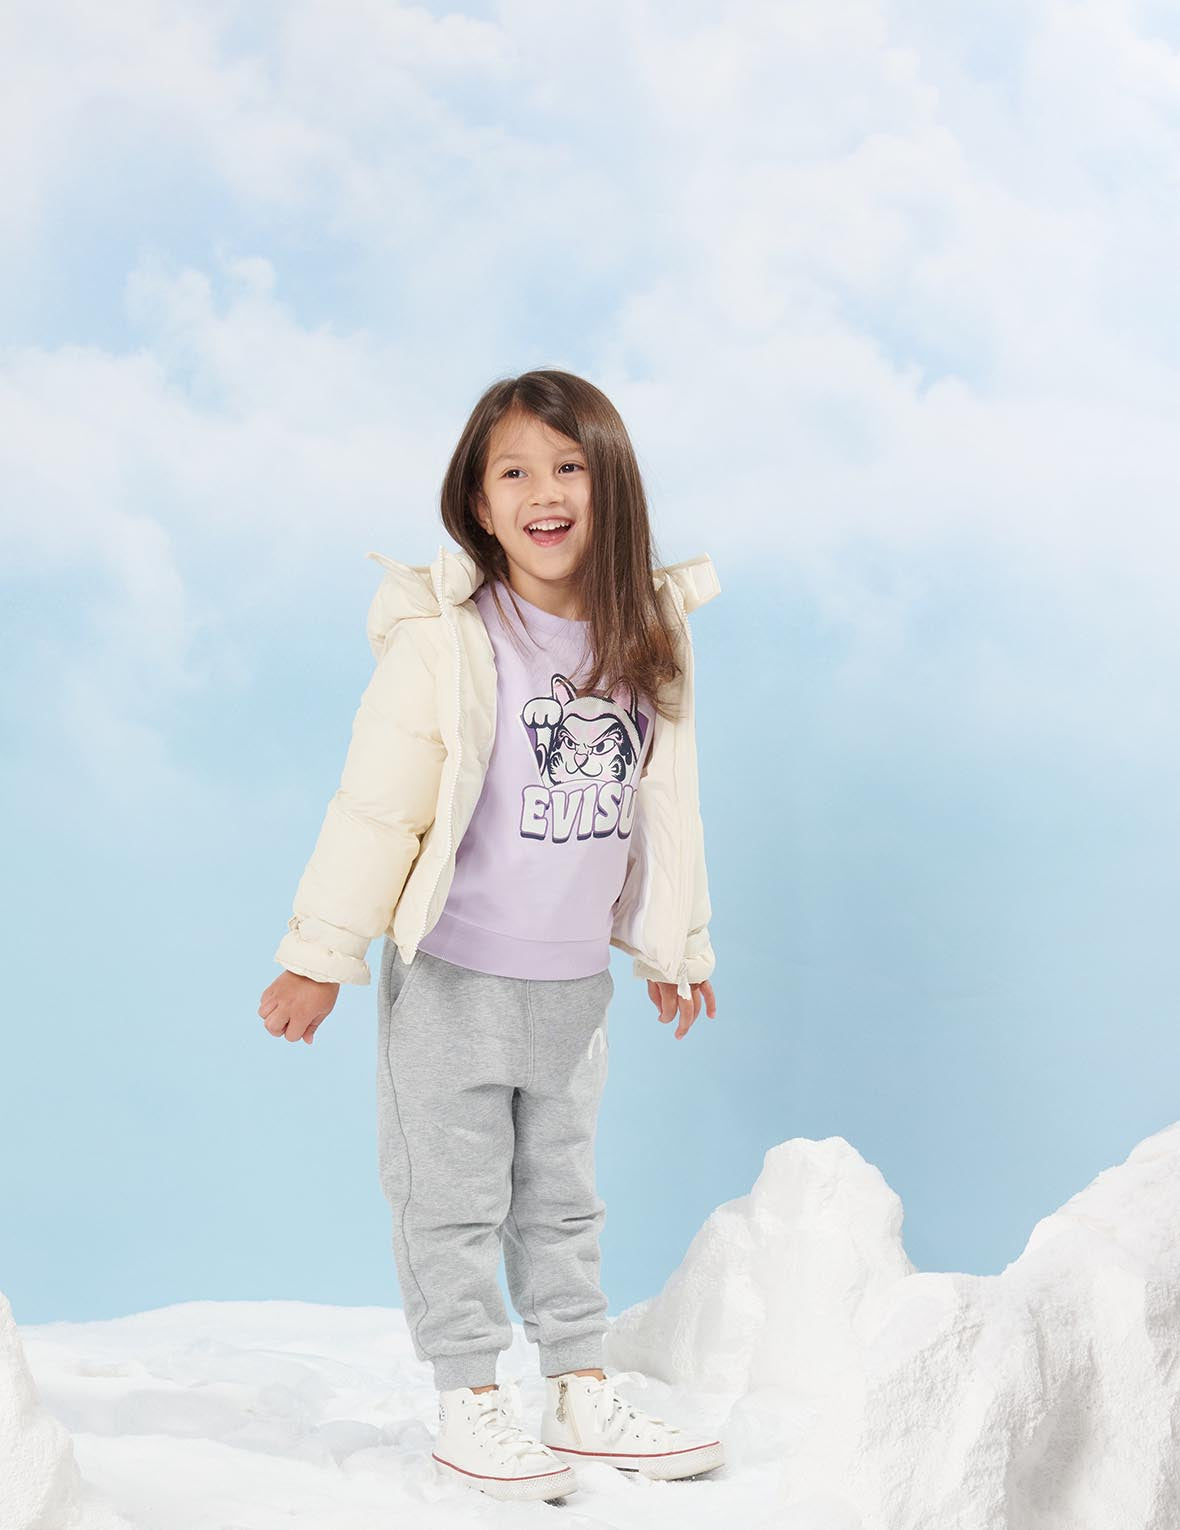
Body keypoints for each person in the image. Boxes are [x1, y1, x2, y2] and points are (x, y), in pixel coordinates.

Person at [257, 368, 725, 1503]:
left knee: (562, 1198)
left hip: (572, 985)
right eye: (513, 472)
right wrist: (320, 956)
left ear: (612, 488)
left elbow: (668, 805)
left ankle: (577, 1384)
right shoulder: (449, 641)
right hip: (455, 976)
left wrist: (677, 949)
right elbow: (378, 808)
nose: (543, 492)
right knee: (452, 1197)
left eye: (569, 467)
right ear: (477, 501)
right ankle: (469, 1395)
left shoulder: (646, 639)